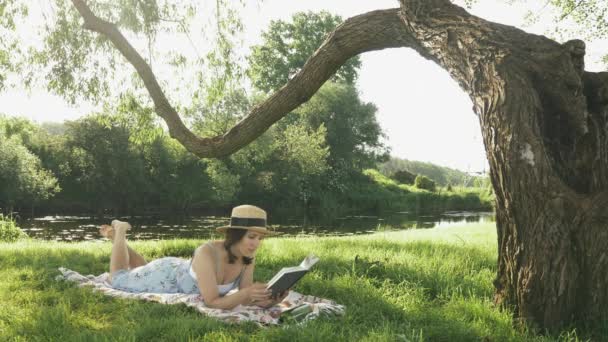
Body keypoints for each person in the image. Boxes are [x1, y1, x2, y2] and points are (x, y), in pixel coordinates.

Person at [100, 205, 288, 310]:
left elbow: (244, 298)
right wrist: (246, 293)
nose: (256, 243)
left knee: (141, 269)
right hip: (166, 277)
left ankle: (115, 239)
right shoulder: (206, 252)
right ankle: (120, 230)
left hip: (178, 270)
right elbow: (212, 301)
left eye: (260, 238)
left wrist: (271, 300)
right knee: (119, 277)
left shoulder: (248, 257)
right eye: (252, 237)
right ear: (237, 235)